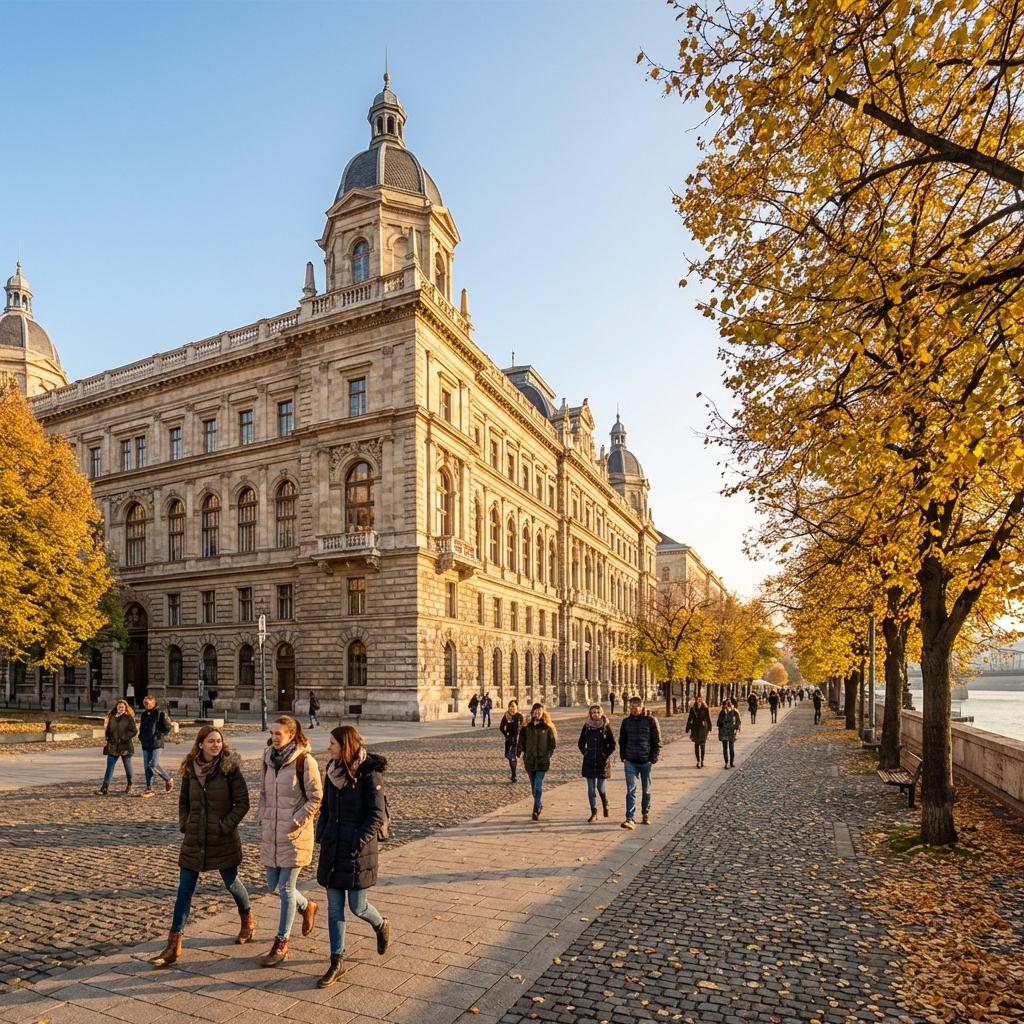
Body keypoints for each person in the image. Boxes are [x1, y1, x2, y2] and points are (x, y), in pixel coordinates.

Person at [151, 726, 253, 967]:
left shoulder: (230, 769)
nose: (216, 745)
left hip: (221, 838)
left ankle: (247, 919)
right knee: (184, 890)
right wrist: (185, 823)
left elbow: (243, 803)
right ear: (200, 745)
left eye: (218, 741)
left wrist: (224, 826)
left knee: (231, 883)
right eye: (211, 741)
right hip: (195, 838)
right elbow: (183, 801)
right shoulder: (190, 770)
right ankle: (173, 944)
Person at [315, 725, 391, 988]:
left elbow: (376, 815)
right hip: (333, 847)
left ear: (345, 746)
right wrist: (321, 833)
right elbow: (325, 808)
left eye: (332, 744)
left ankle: (381, 925)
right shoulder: (331, 771)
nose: (328, 748)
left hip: (357, 851)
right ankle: (336, 960)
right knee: (335, 908)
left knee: (358, 907)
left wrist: (357, 840)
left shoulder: (370, 774)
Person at [258, 716, 323, 968]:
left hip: (295, 834)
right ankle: (307, 907)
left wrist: (297, 820)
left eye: (279, 734)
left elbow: (316, 797)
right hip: (272, 833)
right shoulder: (266, 758)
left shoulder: (305, 761)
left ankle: (282, 942)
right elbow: (263, 793)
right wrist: (262, 814)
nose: (274, 737)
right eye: (272, 733)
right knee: (274, 886)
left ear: (292, 736)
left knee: (285, 889)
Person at [618, 695, 661, 829]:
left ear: (642, 706)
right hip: (630, 760)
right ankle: (630, 818)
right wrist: (623, 757)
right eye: (631, 706)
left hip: (645, 761)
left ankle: (645, 813)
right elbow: (622, 740)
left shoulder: (651, 721)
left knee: (646, 790)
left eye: (636, 706)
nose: (634, 709)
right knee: (631, 789)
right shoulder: (626, 722)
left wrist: (652, 758)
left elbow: (657, 741)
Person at [518, 703, 557, 821]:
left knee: (537, 787)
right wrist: (522, 754)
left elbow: (552, 744)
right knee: (533, 788)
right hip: (530, 761)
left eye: (539, 711)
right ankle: (539, 804)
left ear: (542, 712)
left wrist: (547, 755)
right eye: (535, 711)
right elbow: (521, 742)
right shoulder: (526, 727)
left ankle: (536, 810)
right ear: (532, 712)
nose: (537, 713)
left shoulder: (547, 727)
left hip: (542, 761)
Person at [578, 704, 615, 821]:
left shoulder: (606, 726)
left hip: (601, 762)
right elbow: (580, 743)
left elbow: (612, 744)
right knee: (590, 789)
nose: (595, 714)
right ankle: (594, 812)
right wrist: (585, 752)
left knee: (600, 787)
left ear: (601, 713)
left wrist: (605, 754)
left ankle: (605, 803)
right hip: (589, 761)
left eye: (597, 712)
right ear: (590, 714)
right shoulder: (586, 726)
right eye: (593, 712)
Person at [98, 699, 138, 795]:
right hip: (113, 746)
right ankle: (105, 787)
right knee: (110, 767)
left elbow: (134, 731)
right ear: (116, 707)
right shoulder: (112, 717)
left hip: (125, 746)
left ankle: (130, 785)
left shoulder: (128, 718)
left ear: (126, 708)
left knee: (128, 767)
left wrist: (124, 738)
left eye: (122, 707)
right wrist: (108, 738)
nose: (120, 708)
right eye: (119, 706)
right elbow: (108, 730)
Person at [138, 694, 174, 798]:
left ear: (153, 703)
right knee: (146, 766)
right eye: (145, 703)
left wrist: (159, 734)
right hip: (145, 743)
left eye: (148, 703)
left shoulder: (160, 713)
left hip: (156, 743)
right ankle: (149, 787)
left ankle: (168, 779)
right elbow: (141, 727)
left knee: (153, 764)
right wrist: (141, 736)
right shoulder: (144, 714)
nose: (146, 705)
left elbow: (168, 726)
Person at [499, 700, 525, 782]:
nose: (511, 708)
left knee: (513, 756)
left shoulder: (520, 716)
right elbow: (501, 727)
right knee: (510, 757)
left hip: (518, 739)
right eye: (510, 706)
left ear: (517, 707)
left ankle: (514, 775)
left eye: (513, 706)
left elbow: (524, 727)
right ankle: (514, 774)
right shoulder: (506, 716)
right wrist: (506, 735)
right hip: (510, 740)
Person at [685, 695, 712, 768]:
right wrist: (687, 727)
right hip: (695, 728)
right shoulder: (693, 709)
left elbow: (708, 718)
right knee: (696, 745)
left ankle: (702, 760)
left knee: (702, 745)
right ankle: (698, 761)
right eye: (698, 699)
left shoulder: (705, 708)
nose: (699, 701)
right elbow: (689, 718)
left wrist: (710, 727)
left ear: (702, 700)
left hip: (703, 728)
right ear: (696, 700)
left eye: (700, 699)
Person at [717, 697, 741, 768]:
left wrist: (735, 727)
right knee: (725, 748)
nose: (727, 705)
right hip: (724, 731)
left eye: (729, 703)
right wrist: (721, 722)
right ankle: (726, 762)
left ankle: (731, 762)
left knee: (731, 747)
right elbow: (718, 722)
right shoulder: (722, 712)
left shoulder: (735, 712)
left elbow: (738, 721)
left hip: (731, 732)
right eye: (726, 704)